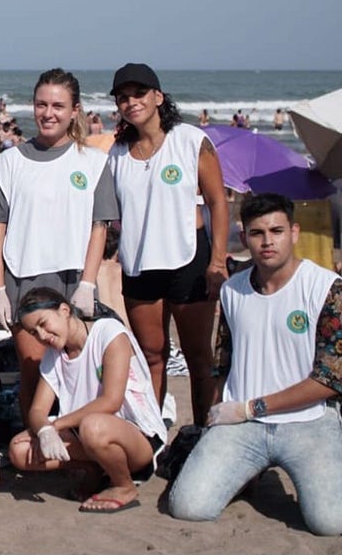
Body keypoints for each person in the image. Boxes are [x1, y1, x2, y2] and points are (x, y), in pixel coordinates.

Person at [168, 193, 342, 536]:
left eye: (276, 230)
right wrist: (215, 418)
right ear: (244, 239)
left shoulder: (329, 289)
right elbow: (223, 362)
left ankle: (336, 480)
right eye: (257, 233)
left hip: (309, 421)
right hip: (244, 425)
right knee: (188, 507)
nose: (267, 241)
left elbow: (331, 381)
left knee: (335, 524)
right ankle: (250, 471)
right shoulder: (232, 291)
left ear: (295, 233)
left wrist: (251, 407)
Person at [0, 68, 117, 417]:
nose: (48, 113)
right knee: (34, 372)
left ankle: (77, 445)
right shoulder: (8, 163)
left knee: (80, 370)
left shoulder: (94, 162)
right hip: (23, 280)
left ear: (75, 110)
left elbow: (98, 228)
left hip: (74, 281)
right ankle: (34, 448)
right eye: (41, 104)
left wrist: (88, 284)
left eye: (58, 105)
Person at [106, 63, 229, 426]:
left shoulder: (189, 140)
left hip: (189, 259)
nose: (132, 103)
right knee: (151, 356)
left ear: (158, 97)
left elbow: (217, 201)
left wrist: (218, 260)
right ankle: (153, 437)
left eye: (139, 94)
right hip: (140, 265)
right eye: (123, 98)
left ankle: (205, 437)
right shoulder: (117, 153)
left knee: (197, 358)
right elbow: (106, 214)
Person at [8, 287, 165, 513]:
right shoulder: (54, 355)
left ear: (64, 310)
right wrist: (44, 431)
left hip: (136, 436)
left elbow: (111, 401)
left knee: (93, 426)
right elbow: (37, 410)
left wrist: (57, 426)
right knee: (19, 449)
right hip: (85, 432)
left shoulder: (109, 333)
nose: (42, 336)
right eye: (34, 332)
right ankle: (95, 469)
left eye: (43, 324)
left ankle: (123, 485)